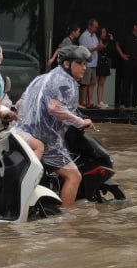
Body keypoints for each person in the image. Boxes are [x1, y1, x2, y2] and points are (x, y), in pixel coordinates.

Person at [18, 44, 95, 208]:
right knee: (74, 176)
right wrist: (81, 122)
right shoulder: (65, 81)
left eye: (85, 64)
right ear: (67, 64)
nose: (84, 67)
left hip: (23, 132)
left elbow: (20, 104)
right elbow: (55, 108)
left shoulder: (42, 78)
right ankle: (65, 219)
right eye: (80, 63)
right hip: (46, 139)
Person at [115, 20, 137, 108]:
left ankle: (135, 103)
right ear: (134, 26)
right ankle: (125, 103)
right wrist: (122, 55)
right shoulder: (127, 36)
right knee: (127, 83)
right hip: (128, 63)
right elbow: (117, 44)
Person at [77, 18, 101, 108]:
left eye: (97, 27)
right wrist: (96, 48)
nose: (96, 29)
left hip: (94, 63)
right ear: (89, 26)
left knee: (92, 83)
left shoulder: (94, 35)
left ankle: (90, 101)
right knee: (85, 83)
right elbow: (83, 50)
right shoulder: (84, 36)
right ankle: (83, 101)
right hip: (86, 63)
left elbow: (96, 46)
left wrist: (99, 47)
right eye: (95, 27)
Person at [94, 25, 114, 109]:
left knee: (102, 83)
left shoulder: (106, 41)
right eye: (103, 32)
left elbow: (110, 51)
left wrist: (111, 40)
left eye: (105, 32)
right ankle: (90, 101)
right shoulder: (95, 40)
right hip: (97, 62)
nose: (105, 34)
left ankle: (100, 101)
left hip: (104, 62)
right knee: (94, 82)